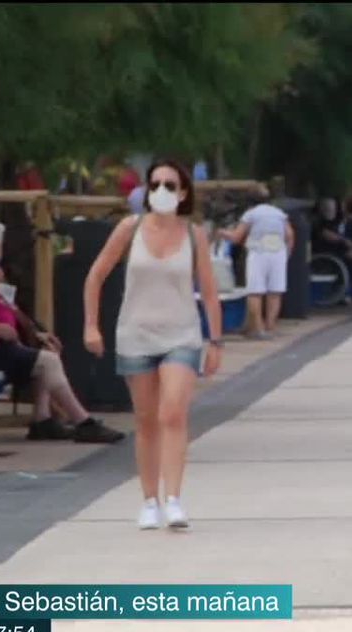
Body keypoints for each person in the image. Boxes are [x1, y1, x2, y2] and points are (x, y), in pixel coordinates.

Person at [83, 159, 224, 530]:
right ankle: (149, 500)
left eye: (170, 184)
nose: (162, 191)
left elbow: (209, 291)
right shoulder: (129, 229)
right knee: (146, 421)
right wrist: (91, 326)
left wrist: (215, 340)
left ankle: (174, 498)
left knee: (172, 413)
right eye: (155, 183)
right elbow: (95, 276)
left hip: (182, 334)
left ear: (183, 192)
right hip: (136, 334)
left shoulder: (194, 235)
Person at [0, 218, 125, 443]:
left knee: (46, 352)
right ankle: (83, 421)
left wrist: (34, 332)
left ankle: (42, 419)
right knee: (47, 362)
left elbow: (5, 307)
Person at [219, 186, 294, 340]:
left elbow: (236, 237)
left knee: (255, 292)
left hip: (259, 252)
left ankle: (258, 329)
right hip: (278, 252)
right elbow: (290, 235)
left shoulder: (251, 214)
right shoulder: (278, 213)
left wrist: (221, 232)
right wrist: (286, 254)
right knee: (275, 292)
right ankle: (270, 327)